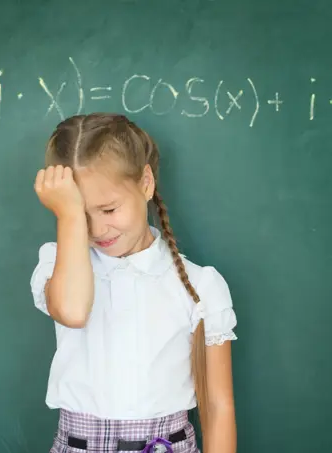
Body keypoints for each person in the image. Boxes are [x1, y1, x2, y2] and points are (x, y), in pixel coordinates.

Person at [30, 113, 238, 453]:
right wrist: (67, 217)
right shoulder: (58, 263)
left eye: (109, 210)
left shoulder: (202, 284)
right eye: (81, 215)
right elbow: (72, 311)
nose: (97, 231)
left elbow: (217, 407)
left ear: (145, 182)